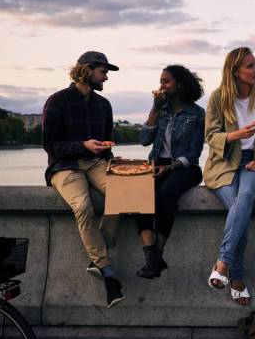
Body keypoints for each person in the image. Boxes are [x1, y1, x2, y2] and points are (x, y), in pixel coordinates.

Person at [42, 51, 124, 308]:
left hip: (95, 163)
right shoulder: (57, 101)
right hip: (65, 166)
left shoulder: (104, 105)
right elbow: (50, 145)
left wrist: (108, 153)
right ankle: (107, 271)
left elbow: (104, 145)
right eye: (103, 71)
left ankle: (96, 257)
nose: (106, 77)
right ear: (87, 70)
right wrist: (84, 145)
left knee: (126, 195)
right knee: (83, 206)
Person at [204, 47, 255, 306]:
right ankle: (236, 276)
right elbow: (210, 136)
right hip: (224, 164)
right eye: (249, 66)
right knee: (240, 211)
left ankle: (223, 262)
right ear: (235, 71)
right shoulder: (217, 98)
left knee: (245, 197)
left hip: (253, 163)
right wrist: (236, 135)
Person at [137, 65, 205, 278]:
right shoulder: (162, 110)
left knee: (165, 194)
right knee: (140, 194)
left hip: (184, 167)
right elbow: (144, 140)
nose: (162, 86)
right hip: (157, 164)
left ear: (180, 85)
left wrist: (171, 167)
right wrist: (155, 109)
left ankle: (158, 253)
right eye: (161, 81)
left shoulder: (197, 113)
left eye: (166, 81)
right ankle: (152, 259)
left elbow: (195, 151)